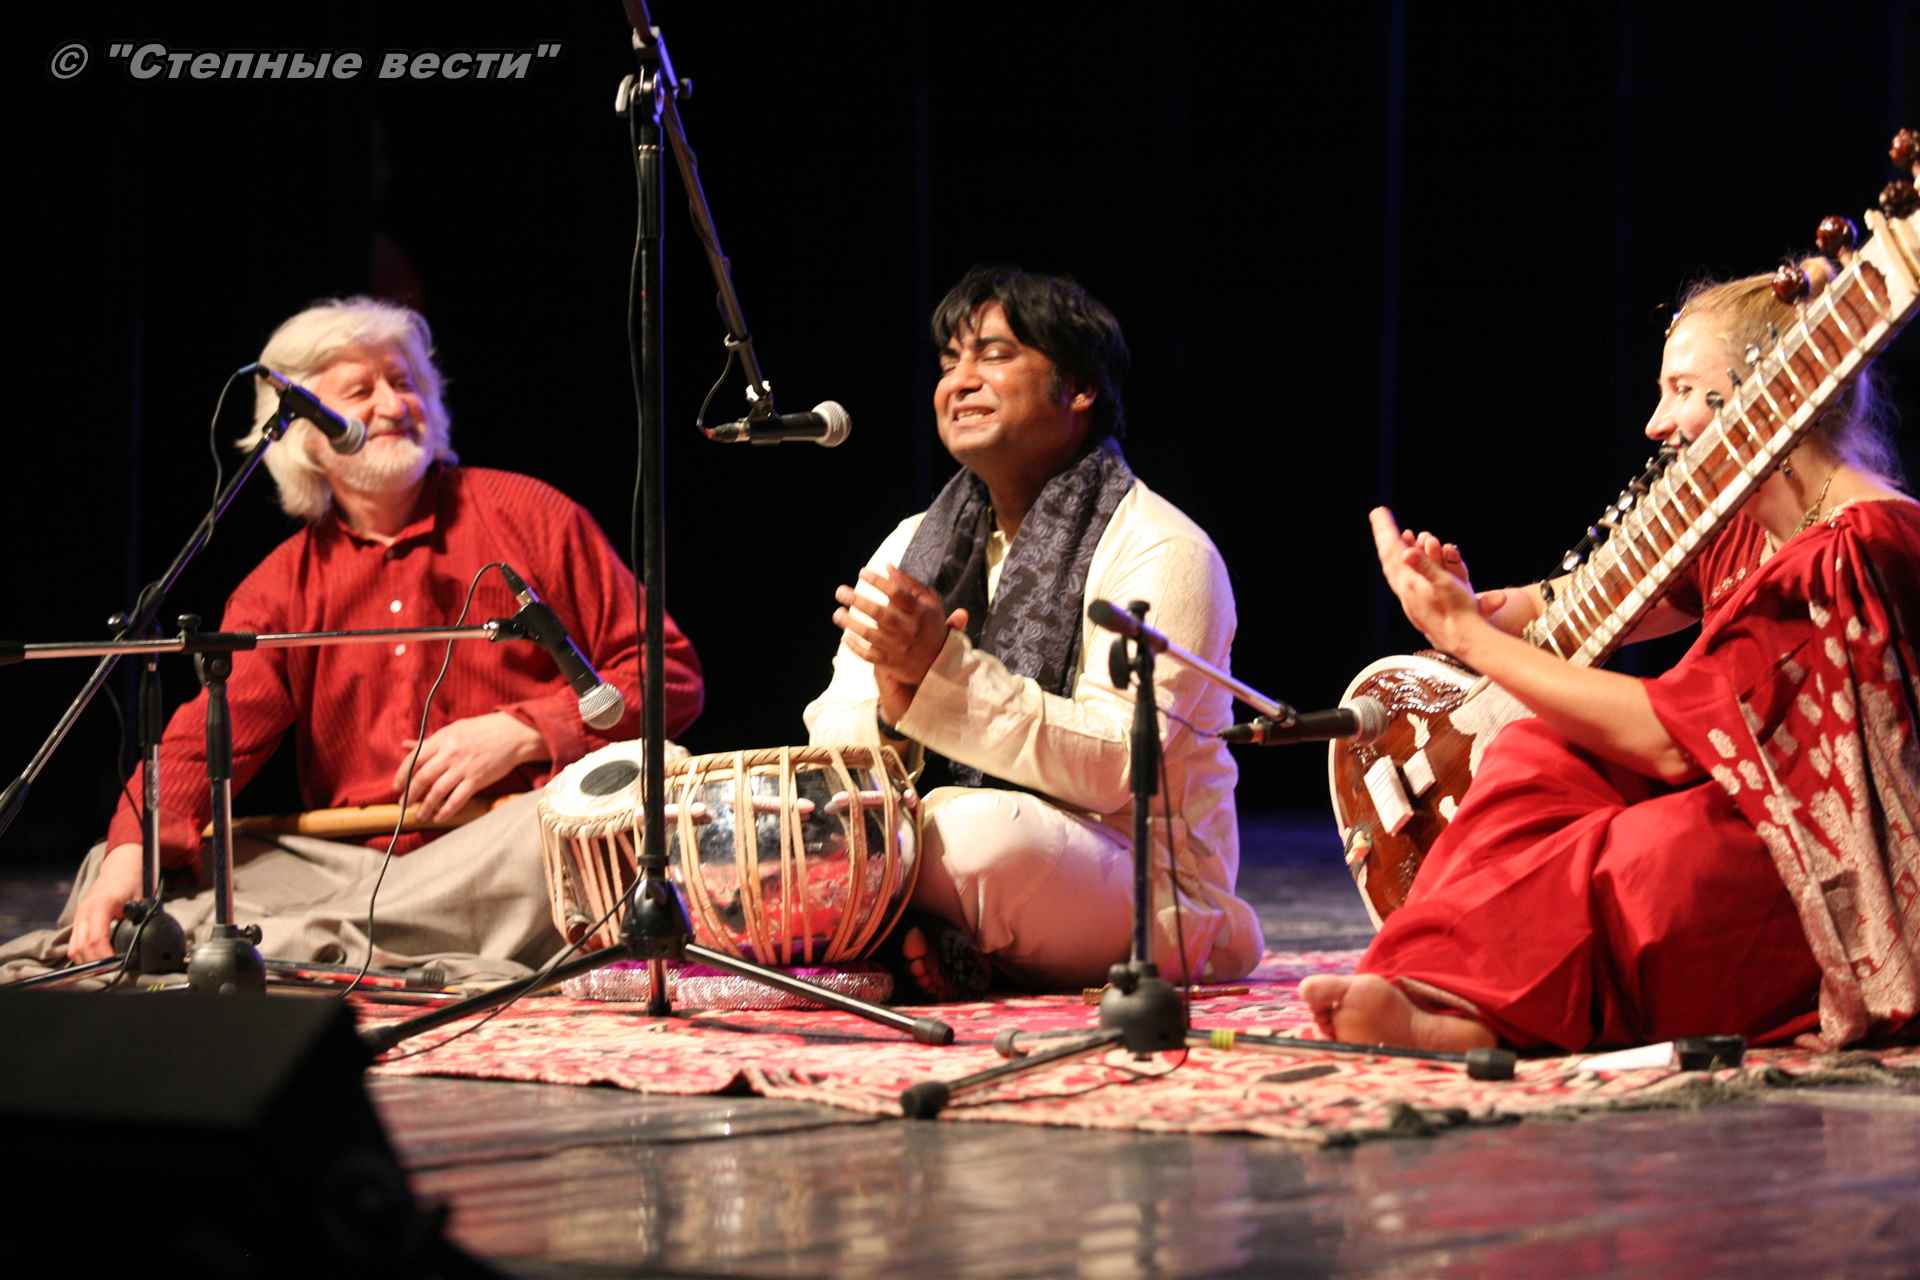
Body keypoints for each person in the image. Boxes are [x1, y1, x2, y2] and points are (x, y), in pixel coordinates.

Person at [1303, 259, 1920, 1054]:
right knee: (1535, 753)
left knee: (1648, 854)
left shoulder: (1859, 545)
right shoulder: (1744, 524)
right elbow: (1583, 599)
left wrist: (1468, 637)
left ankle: (1475, 1015)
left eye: (1683, 390)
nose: (1656, 424)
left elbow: (1668, 743)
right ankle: (1431, 983)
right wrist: (1469, 602)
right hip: (1737, 807)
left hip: (1819, 867)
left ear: (1769, 390)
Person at [5, 296, 704, 981]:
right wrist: (133, 851)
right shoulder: (281, 585)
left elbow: (669, 676)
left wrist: (523, 731)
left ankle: (275, 943)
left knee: (635, 792)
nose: (393, 405)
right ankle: (327, 940)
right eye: (361, 391)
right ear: (307, 435)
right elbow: (202, 742)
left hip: (504, 844)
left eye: (404, 382)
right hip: (357, 864)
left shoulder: (530, 515)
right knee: (125, 860)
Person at [804, 266, 1264, 997]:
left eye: (993, 355)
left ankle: (896, 929)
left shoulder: (1161, 548)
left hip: (1141, 875)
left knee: (975, 837)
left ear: (1079, 388)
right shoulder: (914, 544)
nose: (960, 382)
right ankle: (942, 938)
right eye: (949, 363)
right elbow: (831, 726)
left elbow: (1120, 762)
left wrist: (939, 676)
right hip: (945, 839)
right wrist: (893, 710)